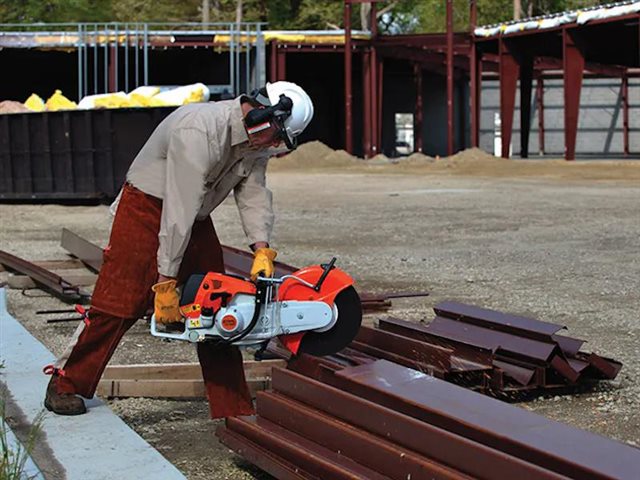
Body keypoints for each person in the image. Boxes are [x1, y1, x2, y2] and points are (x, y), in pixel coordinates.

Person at [43, 81, 314, 417]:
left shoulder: (256, 143)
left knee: (219, 304)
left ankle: (234, 410)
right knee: (118, 303)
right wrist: (166, 281)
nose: (275, 146)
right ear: (263, 115)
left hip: (193, 215)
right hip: (146, 207)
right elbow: (177, 211)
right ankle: (65, 384)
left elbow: (254, 194)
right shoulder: (198, 130)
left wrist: (262, 248)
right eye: (277, 137)